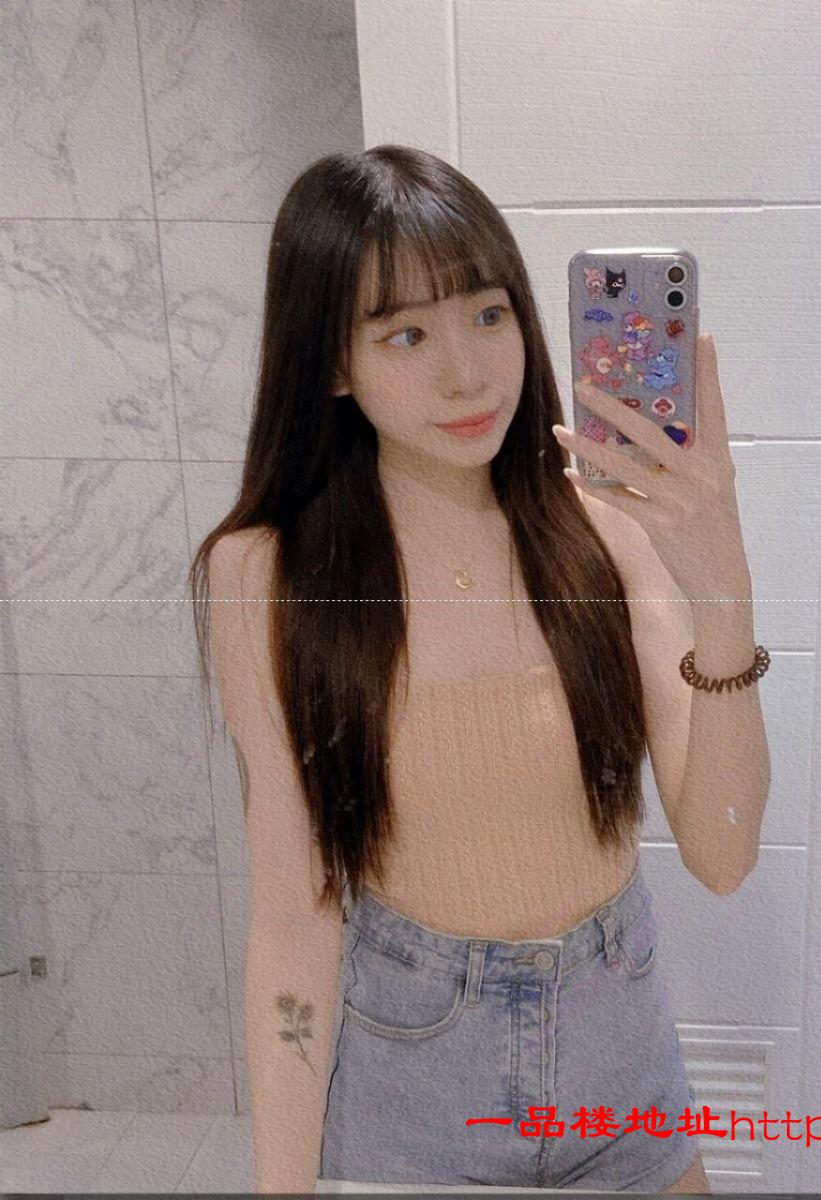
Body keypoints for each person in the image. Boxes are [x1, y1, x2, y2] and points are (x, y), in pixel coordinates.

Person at [190, 145, 771, 1194]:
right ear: (332, 364)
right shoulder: (267, 576)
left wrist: (720, 582)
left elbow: (724, 856)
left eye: (488, 313)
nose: (467, 373)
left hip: (619, 1056)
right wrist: (282, 1186)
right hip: (410, 1078)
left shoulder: (607, 530)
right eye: (406, 334)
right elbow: (291, 915)